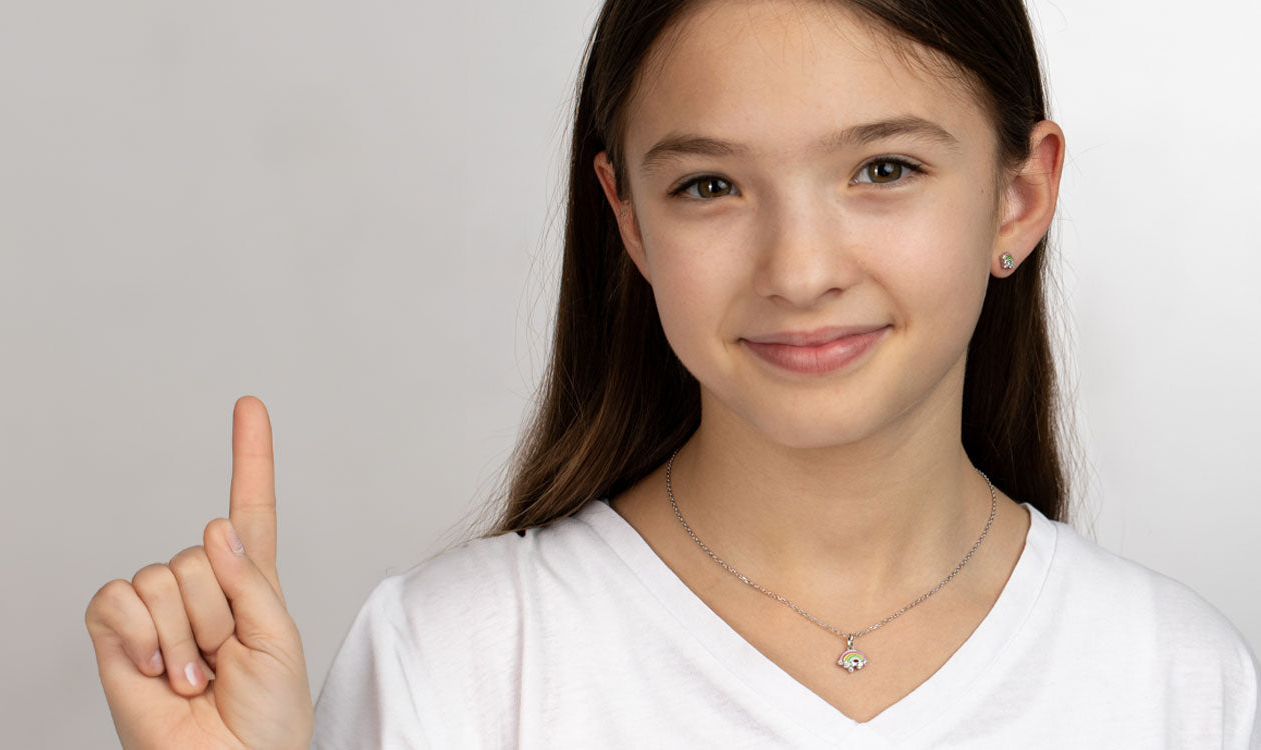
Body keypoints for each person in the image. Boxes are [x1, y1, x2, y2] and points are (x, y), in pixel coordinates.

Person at [85, 0, 1261, 748]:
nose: (799, 271)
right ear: (629, 220)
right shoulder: (461, 659)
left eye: (885, 168)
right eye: (710, 185)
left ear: (1020, 196)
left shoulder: (1178, 681)